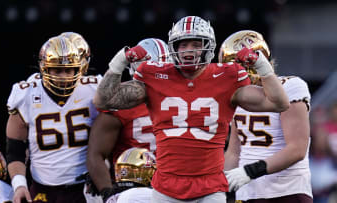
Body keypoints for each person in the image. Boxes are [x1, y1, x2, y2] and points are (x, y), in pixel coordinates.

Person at [94, 16, 289, 203]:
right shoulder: (154, 75)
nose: (189, 50)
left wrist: (261, 65)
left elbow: (279, 103)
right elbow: (103, 101)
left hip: (210, 188)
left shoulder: (226, 76)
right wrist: (120, 60)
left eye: (196, 44)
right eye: (183, 44)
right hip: (165, 188)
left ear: (208, 47)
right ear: (174, 47)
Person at [6, 32, 102, 203]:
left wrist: (103, 171)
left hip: (85, 189)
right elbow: (15, 150)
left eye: (68, 70)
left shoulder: (94, 90)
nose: (63, 77)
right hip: (43, 189)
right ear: (45, 68)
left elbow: (113, 136)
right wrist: (19, 185)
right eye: (57, 70)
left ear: (79, 68)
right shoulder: (25, 94)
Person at [222, 30, 313, 202]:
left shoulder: (292, 86)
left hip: (286, 191)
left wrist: (250, 171)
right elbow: (234, 152)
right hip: (248, 193)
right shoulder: (237, 95)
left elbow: (297, 149)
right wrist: (220, 187)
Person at [86, 38, 170, 202]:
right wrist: (107, 192)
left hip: (173, 183)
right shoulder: (121, 102)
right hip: (133, 186)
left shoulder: (182, 97)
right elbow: (96, 154)